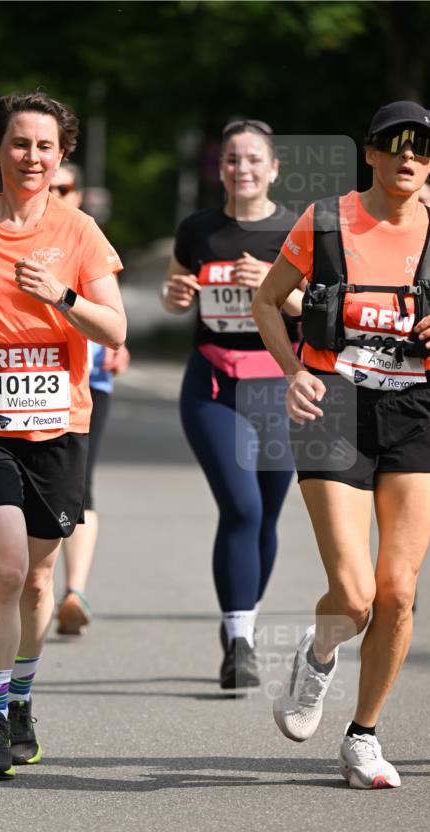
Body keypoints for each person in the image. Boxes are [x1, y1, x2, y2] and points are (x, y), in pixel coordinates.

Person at [0, 92, 126, 779]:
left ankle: (25, 697)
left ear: (60, 154)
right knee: (5, 567)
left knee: (40, 579)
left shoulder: (80, 232)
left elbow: (115, 329)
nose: (30, 156)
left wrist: (61, 297)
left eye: (43, 146)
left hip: (58, 424)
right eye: (18, 143)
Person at [252, 101, 430, 789]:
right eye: (393, 145)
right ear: (370, 153)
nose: (406, 157)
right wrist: (293, 371)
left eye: (419, 148)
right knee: (354, 595)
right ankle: (318, 653)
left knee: (397, 593)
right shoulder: (326, 220)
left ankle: (362, 737)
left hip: (415, 411)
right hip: (333, 406)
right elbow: (268, 301)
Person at [161, 120, 302, 689]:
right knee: (241, 507)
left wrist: (272, 284)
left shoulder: (297, 230)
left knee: (267, 513)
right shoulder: (198, 230)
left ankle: (241, 616)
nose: (240, 169)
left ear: (272, 168)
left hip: (282, 387)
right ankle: (240, 640)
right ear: (220, 170)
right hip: (214, 382)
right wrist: (175, 296)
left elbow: (312, 312)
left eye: (251, 159)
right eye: (230, 160)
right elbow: (178, 295)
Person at [49, 163, 131, 635]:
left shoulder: (87, 238)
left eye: (66, 187)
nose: (57, 193)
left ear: (79, 194)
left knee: (81, 484)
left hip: (89, 381)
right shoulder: (15, 234)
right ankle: (32, 585)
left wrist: (121, 350)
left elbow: (111, 315)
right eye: (51, 185)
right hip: (24, 380)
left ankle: (74, 591)